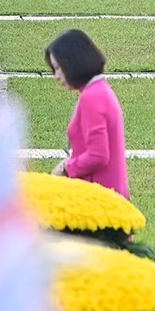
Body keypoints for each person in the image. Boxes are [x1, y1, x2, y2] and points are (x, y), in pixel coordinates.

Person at [47, 29, 127, 196]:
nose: (57, 76)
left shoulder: (92, 97)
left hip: (99, 197)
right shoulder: (99, 90)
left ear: (73, 63)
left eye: (58, 68)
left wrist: (66, 167)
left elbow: (98, 155)